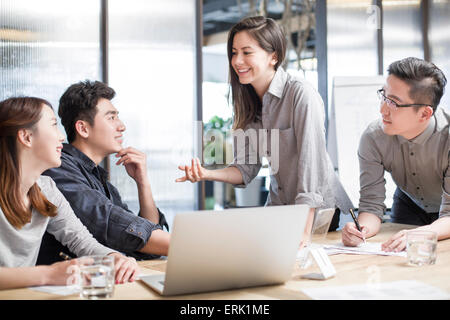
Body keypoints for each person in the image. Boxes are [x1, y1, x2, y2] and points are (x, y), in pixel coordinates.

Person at [176, 16, 349, 236]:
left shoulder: (300, 94)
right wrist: (206, 174)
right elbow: (245, 169)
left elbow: (310, 167)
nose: (237, 61)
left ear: (273, 57)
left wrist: (303, 237)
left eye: (247, 53)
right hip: (282, 211)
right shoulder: (246, 104)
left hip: (322, 216)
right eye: (234, 52)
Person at [0, 97, 139, 290]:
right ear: (27, 137)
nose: (62, 137)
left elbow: (82, 241)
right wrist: (48, 274)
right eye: (53, 125)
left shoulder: (46, 188)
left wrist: (116, 259)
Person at [37, 81, 170, 264]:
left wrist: (142, 182)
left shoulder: (99, 179)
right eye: (111, 118)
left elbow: (147, 247)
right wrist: (187, 246)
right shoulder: (58, 169)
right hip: (66, 286)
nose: (121, 126)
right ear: (83, 128)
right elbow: (109, 223)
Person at [342, 57, 450, 252]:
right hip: (409, 203)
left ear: (425, 114)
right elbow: (371, 204)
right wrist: (360, 230)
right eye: (384, 96)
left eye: (393, 102)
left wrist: (426, 232)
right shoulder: (373, 137)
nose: (382, 109)